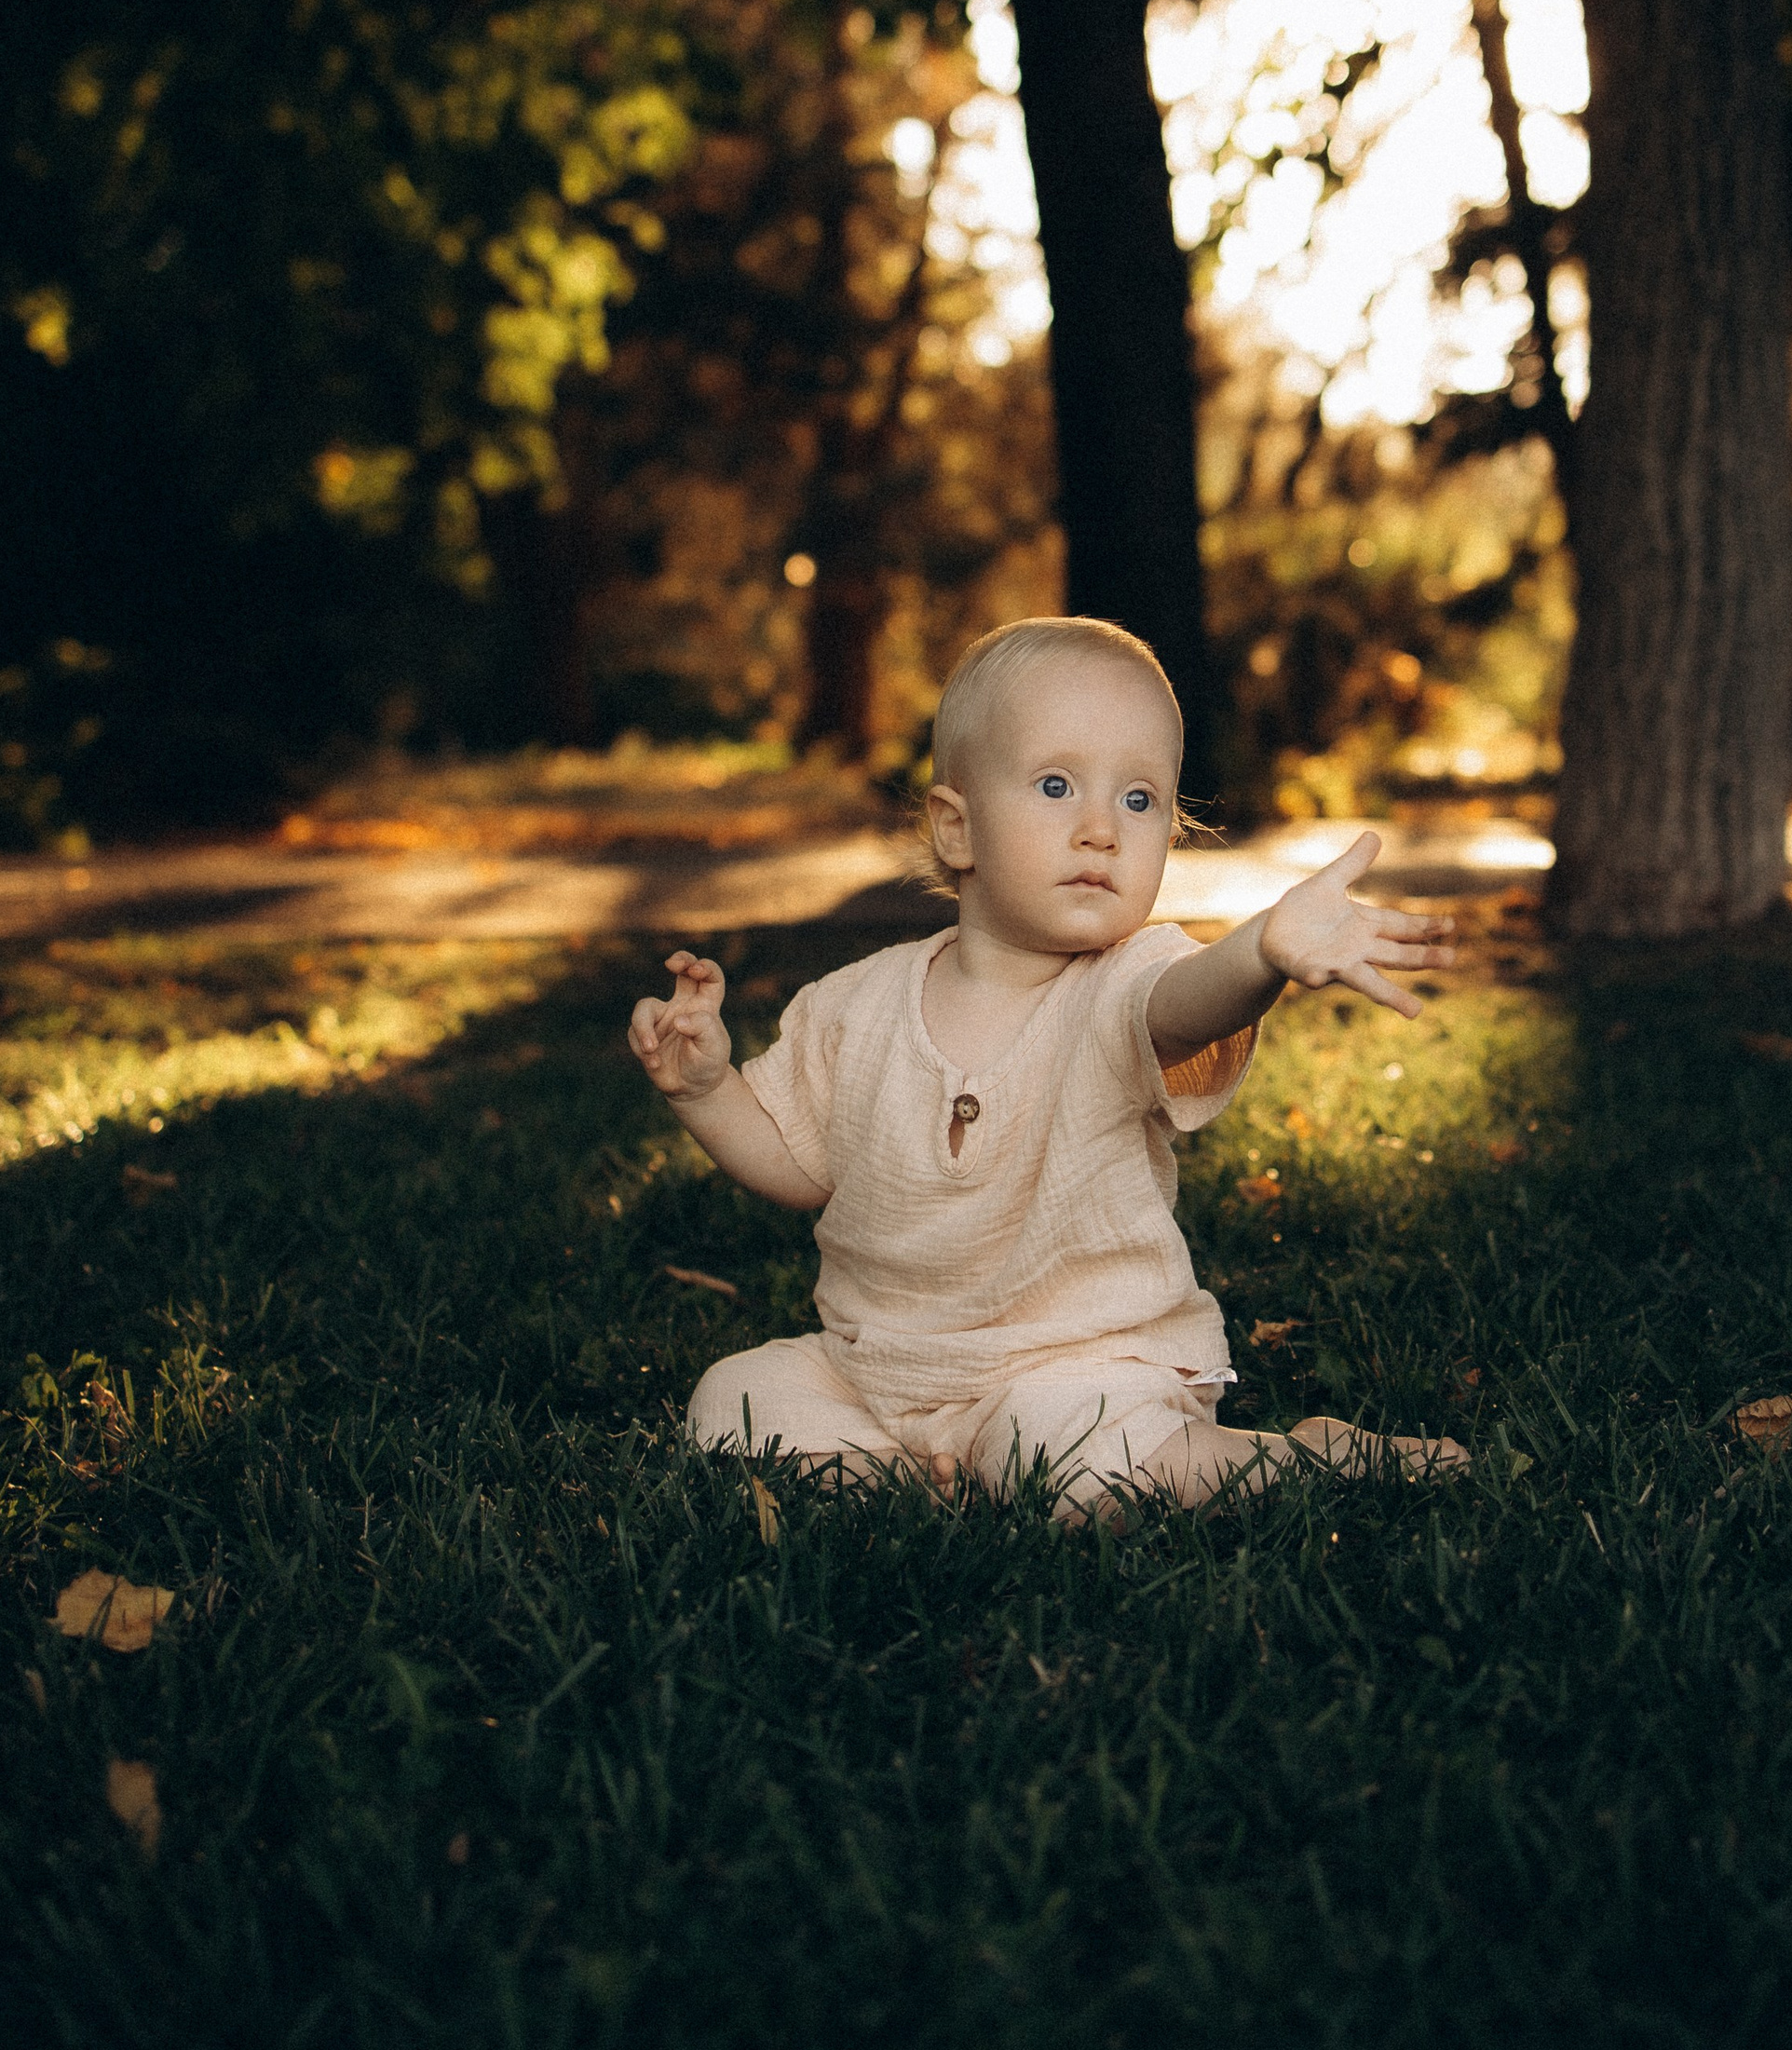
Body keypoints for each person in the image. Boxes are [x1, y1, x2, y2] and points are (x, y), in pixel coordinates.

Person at [628, 614, 1468, 1515]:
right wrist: (709, 1089)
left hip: (1079, 1369)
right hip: (878, 1370)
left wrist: (1261, 950)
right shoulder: (853, 1005)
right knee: (732, 1399)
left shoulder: (1121, 986)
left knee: (1074, 1465)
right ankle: (908, 1473)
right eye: (1057, 784)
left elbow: (1190, 998)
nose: (1101, 827)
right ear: (957, 828)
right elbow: (796, 1160)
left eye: (1140, 799)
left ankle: (1301, 1459)